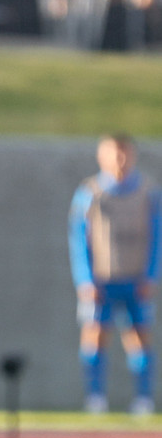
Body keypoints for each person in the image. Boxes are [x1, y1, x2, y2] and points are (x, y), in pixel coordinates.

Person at [68, 134, 161, 415]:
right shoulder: (90, 192)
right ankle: (95, 399)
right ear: (101, 156)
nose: (119, 159)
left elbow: (157, 237)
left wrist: (150, 276)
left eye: (124, 153)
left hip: (135, 278)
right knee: (95, 334)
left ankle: (143, 400)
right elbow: (78, 239)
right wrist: (85, 279)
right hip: (101, 280)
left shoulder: (148, 192)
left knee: (139, 337)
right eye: (113, 153)